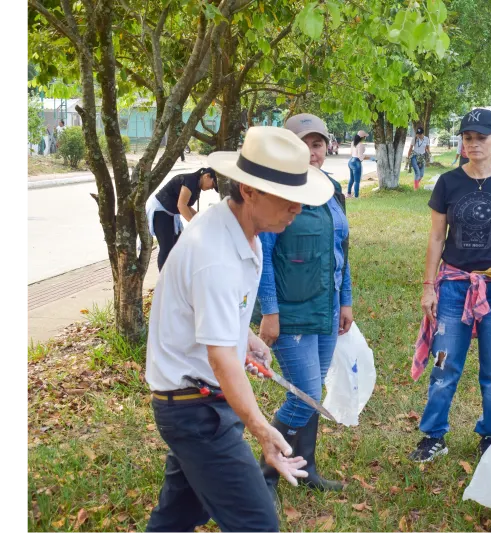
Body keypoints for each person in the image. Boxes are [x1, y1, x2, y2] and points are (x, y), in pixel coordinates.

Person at [143, 125, 335, 534]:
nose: (297, 208)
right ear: (249, 191)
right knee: (257, 524)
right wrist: (263, 430)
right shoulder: (214, 254)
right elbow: (221, 359)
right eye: (287, 197)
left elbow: (218, 314)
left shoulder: (245, 232)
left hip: (200, 399)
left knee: (176, 518)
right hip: (194, 409)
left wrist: (243, 336)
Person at [410, 108, 491, 463]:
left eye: (481, 137)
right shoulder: (448, 182)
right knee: (444, 363)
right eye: (468, 137)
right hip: (453, 286)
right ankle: (434, 435)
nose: (474, 144)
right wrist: (428, 286)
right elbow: (437, 237)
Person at [256, 114, 354, 499]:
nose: (312, 152)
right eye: (302, 145)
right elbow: (263, 257)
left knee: (309, 395)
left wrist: (345, 301)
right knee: (305, 394)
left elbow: (341, 251)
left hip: (326, 308)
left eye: (317, 144)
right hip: (290, 312)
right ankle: (264, 476)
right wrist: (270, 311)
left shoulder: (332, 189)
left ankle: (306, 467)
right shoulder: (276, 191)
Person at [145, 167, 219, 271]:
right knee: (166, 247)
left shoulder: (197, 185)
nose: (211, 188)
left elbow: (187, 207)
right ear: (207, 176)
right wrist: (195, 224)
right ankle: (164, 276)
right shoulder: (190, 181)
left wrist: (201, 218)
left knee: (178, 245)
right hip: (160, 211)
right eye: (213, 185)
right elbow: (181, 205)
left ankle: (175, 272)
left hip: (171, 212)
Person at [348, 130, 368, 198]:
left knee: (351, 179)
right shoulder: (360, 145)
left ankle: (348, 194)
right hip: (356, 163)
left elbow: (351, 153)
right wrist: (370, 158)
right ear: (362, 137)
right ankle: (356, 196)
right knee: (357, 181)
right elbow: (360, 156)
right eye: (365, 137)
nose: (365, 138)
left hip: (351, 161)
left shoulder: (353, 143)